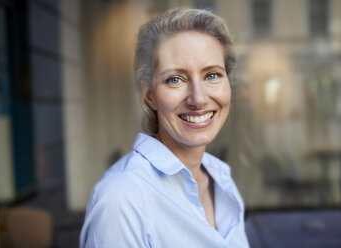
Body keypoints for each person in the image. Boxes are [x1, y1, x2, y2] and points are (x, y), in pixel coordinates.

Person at [80, 8, 250, 248]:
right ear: (149, 95)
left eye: (212, 75)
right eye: (175, 79)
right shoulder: (123, 199)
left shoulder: (221, 181)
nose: (198, 98)